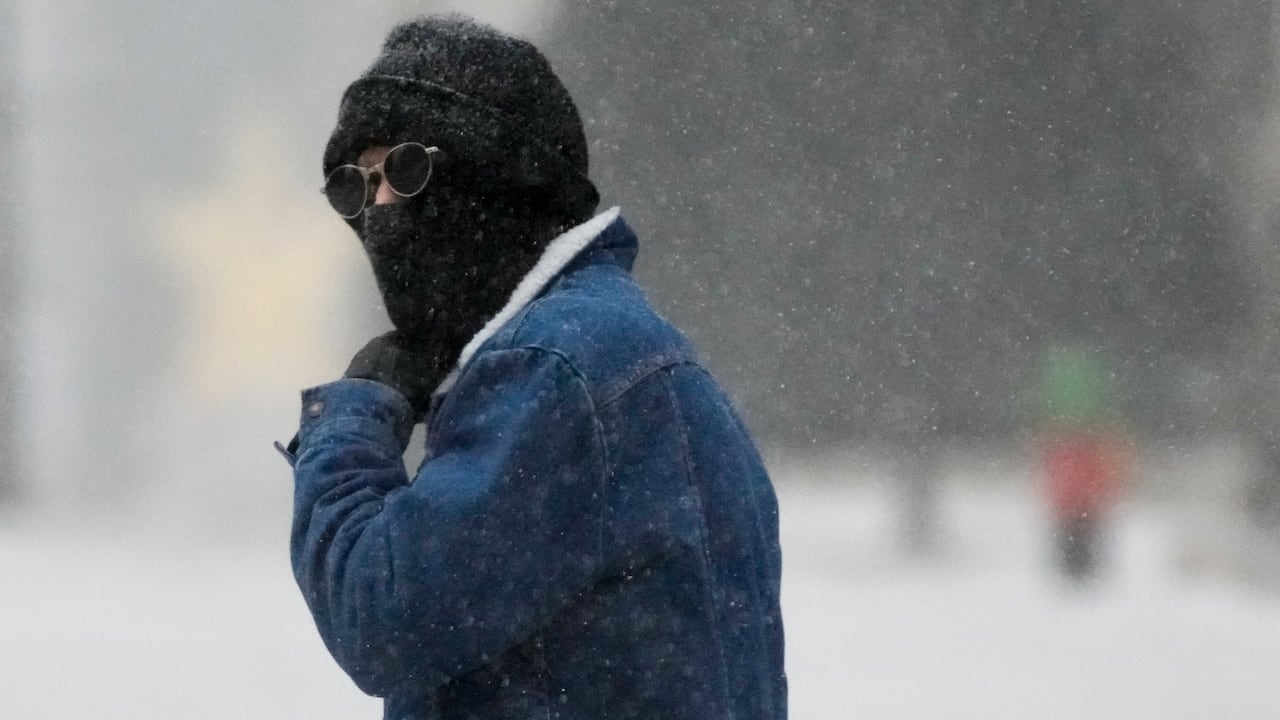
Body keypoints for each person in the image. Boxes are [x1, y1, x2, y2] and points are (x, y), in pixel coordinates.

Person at [277, 15, 786, 720]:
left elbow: (383, 618)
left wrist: (353, 419)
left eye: (405, 169)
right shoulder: (633, 353)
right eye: (354, 186)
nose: (380, 209)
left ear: (503, 175)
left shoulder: (553, 368)